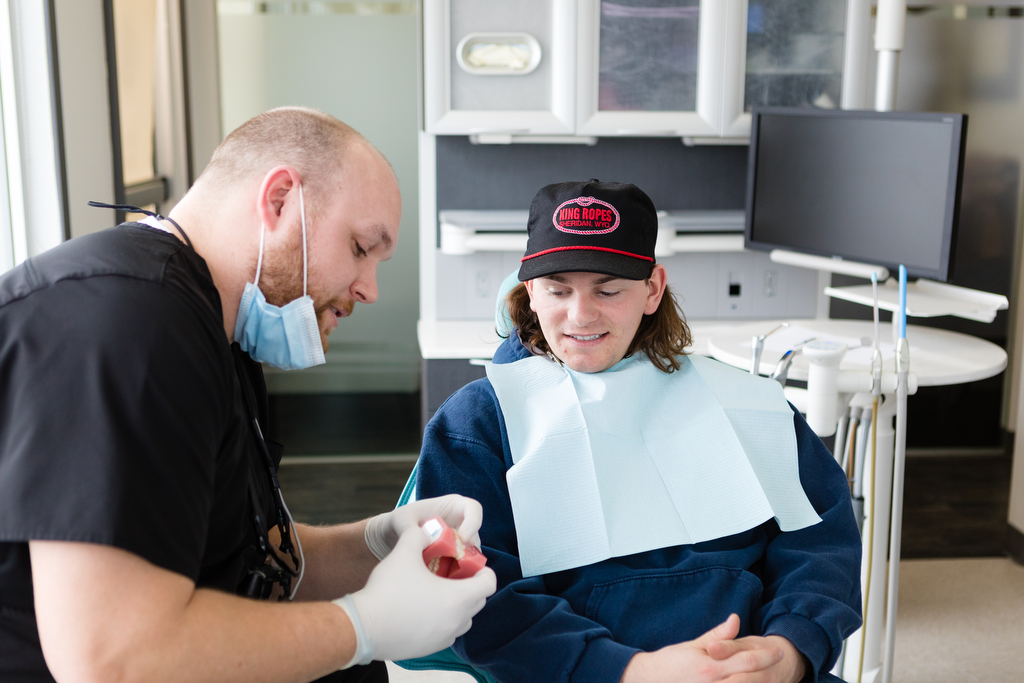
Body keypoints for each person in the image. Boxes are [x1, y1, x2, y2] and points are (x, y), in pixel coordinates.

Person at [0, 107, 495, 683]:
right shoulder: (124, 327)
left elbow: (252, 554)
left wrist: (379, 541)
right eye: (361, 248)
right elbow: (114, 659)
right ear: (280, 199)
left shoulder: (214, 330)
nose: (370, 288)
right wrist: (365, 627)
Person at [416, 180, 863, 683]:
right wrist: (629, 670)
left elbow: (822, 542)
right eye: (558, 290)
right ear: (529, 293)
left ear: (652, 289)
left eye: (608, 290)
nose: (581, 315)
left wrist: (790, 649)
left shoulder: (746, 403)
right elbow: (460, 581)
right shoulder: (475, 422)